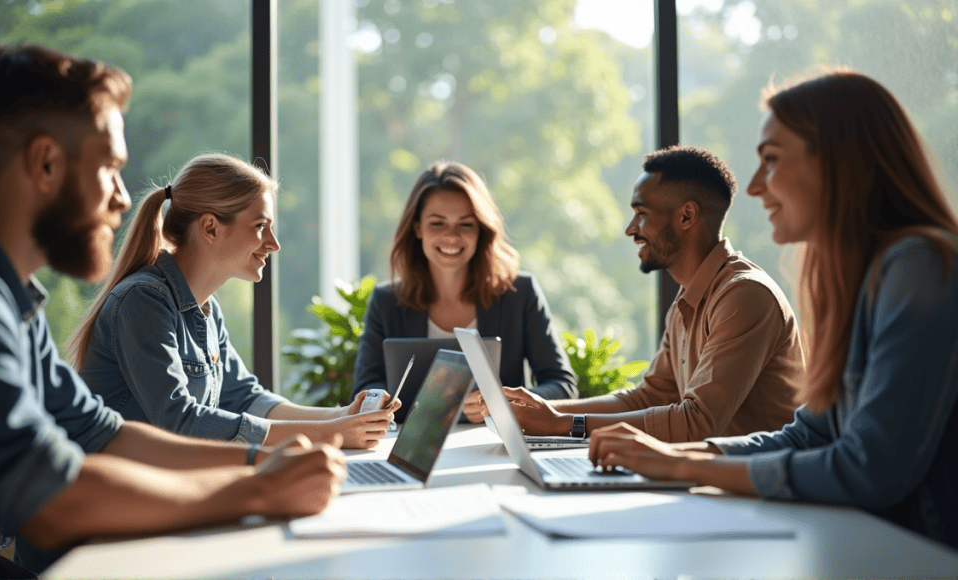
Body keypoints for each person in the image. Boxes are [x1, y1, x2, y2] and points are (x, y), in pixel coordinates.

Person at [0, 44, 345, 578]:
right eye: (109, 168)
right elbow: (54, 502)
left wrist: (260, 461)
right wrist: (259, 488)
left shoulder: (8, 296)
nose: (125, 198)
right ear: (46, 163)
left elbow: (103, 433)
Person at [590, 70, 958, 549]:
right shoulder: (850, 277)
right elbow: (810, 434)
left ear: (837, 161)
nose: (757, 185)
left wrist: (682, 464)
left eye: (771, 160)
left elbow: (870, 467)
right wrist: (672, 455)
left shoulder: (918, 267)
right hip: (867, 545)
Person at [70, 153, 398, 450]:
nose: (274, 244)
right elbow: (180, 421)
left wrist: (343, 417)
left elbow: (244, 397)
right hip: (124, 495)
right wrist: (331, 433)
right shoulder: (143, 301)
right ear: (211, 228)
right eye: (260, 227)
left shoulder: (206, 311)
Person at [487, 146, 804, 442]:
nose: (630, 228)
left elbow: (697, 422)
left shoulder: (744, 296)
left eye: (641, 213)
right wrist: (539, 411)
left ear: (686, 216)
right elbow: (647, 398)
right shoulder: (689, 300)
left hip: (754, 494)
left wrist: (564, 424)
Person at [353, 161, 577, 423]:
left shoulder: (520, 294)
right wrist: (382, 402)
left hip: (493, 449)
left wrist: (503, 403)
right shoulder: (386, 302)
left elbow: (562, 385)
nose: (451, 236)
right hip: (409, 448)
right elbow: (365, 389)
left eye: (465, 225)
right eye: (437, 223)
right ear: (417, 228)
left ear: (481, 229)